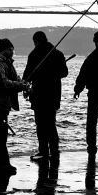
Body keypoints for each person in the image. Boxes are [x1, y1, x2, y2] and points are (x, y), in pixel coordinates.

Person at [22, 31, 68, 164]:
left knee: (40, 124)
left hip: (39, 95)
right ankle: (54, 150)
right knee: (51, 123)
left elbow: (26, 76)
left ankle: (43, 151)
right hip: (53, 95)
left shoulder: (34, 54)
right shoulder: (57, 53)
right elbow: (64, 73)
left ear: (36, 41)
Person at [0, 38, 27, 176]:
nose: (12, 52)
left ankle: (2, 163)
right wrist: (20, 86)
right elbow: (4, 83)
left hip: (4, 105)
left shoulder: (8, 63)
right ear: (3, 50)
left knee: (2, 135)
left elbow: (15, 79)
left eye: (12, 50)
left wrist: (22, 83)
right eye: (10, 50)